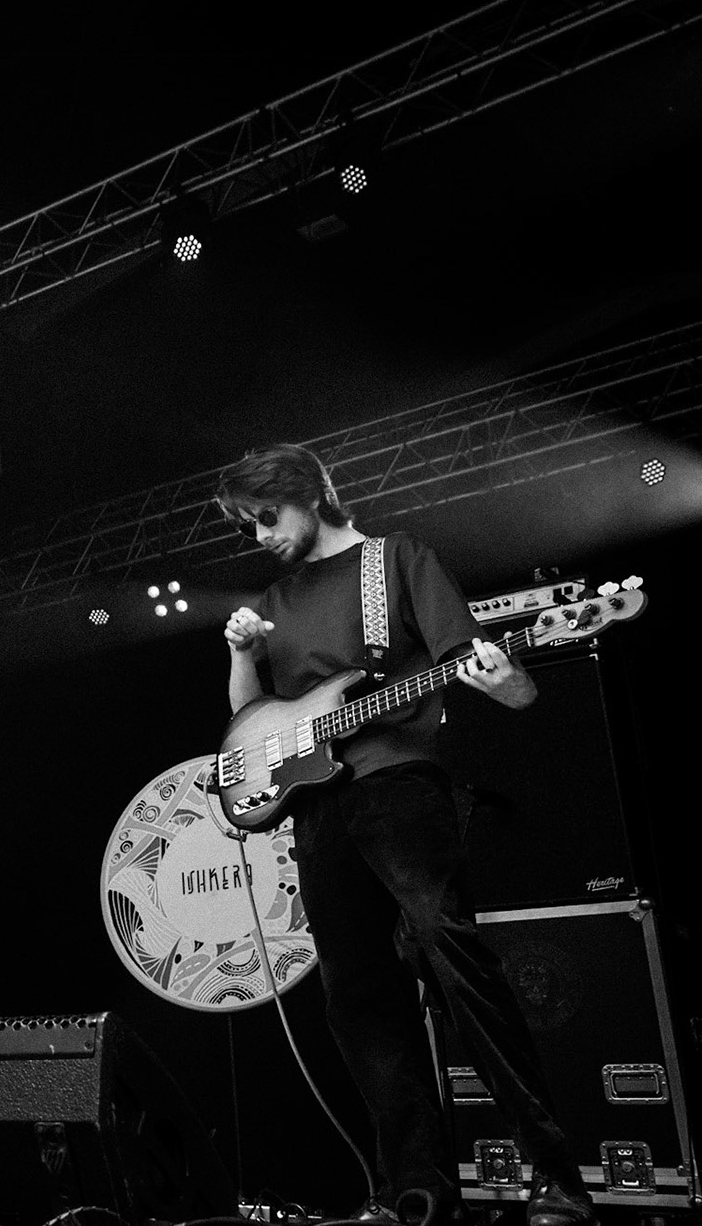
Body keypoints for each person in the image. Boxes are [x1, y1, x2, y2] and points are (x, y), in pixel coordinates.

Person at [215, 444, 594, 1226]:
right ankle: (413, 1191)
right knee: (355, 998)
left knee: (450, 953)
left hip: (398, 787)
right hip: (319, 813)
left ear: (309, 496)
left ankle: (556, 1174)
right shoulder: (275, 600)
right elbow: (247, 726)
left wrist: (511, 679)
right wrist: (242, 653)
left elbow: (492, 677)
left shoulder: (400, 560)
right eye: (247, 525)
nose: (258, 536)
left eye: (265, 516)